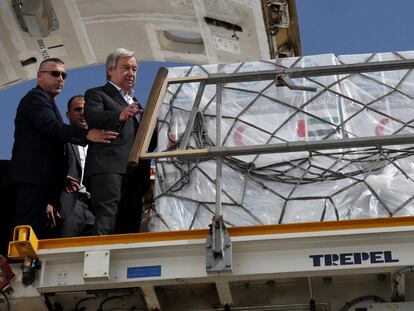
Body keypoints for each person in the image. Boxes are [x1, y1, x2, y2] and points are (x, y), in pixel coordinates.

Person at [8, 58, 118, 239]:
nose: (60, 78)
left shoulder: (47, 102)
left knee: (35, 237)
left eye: (64, 75)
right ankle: (16, 265)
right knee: (26, 234)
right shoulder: (36, 98)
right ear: (39, 76)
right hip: (32, 182)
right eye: (55, 73)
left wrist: (61, 178)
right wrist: (86, 135)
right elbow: (51, 127)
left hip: (45, 184)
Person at [84, 48, 156, 235]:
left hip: (135, 175)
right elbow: (93, 117)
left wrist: (164, 136)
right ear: (110, 70)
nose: (131, 73)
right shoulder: (97, 94)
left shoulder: (136, 103)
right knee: (107, 220)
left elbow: (143, 141)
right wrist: (120, 115)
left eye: (134, 69)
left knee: (130, 225)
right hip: (108, 169)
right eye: (126, 68)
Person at [58, 95, 95, 237]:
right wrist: (49, 201)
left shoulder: (100, 145)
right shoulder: (61, 138)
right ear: (68, 114)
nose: (83, 113)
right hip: (68, 206)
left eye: (86, 110)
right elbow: (47, 167)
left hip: (93, 207)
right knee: (63, 254)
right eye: (78, 110)